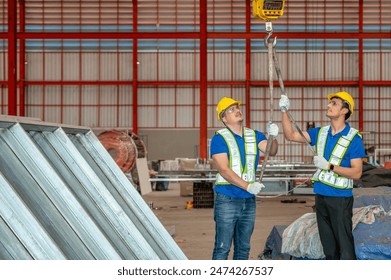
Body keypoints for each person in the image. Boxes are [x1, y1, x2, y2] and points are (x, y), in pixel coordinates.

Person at [279, 91, 366, 260]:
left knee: (345, 249)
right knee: (329, 249)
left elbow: (357, 172)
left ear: (344, 111)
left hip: (340, 199)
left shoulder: (353, 138)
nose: (328, 105)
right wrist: (284, 111)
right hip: (321, 198)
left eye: (334, 103)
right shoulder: (320, 133)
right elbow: (291, 135)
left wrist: (329, 166)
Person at [210, 96, 279, 260]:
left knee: (243, 249)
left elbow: (272, 151)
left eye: (236, 107)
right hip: (227, 198)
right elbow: (224, 169)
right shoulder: (219, 138)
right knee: (222, 248)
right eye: (231, 109)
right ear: (224, 118)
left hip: (248, 201)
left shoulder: (253, 135)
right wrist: (248, 186)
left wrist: (273, 136)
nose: (237, 110)